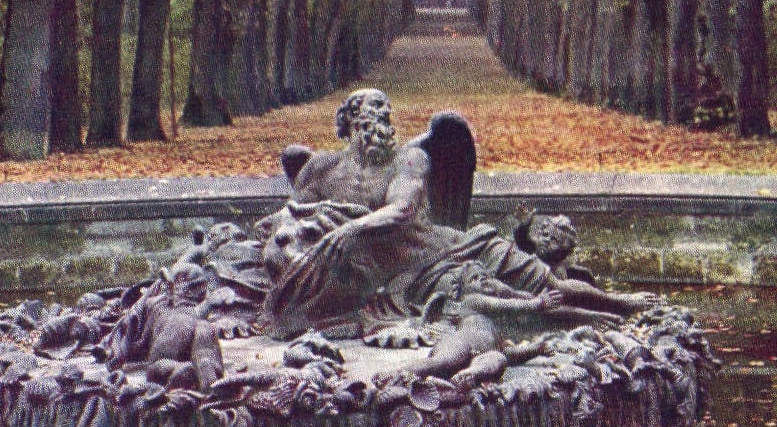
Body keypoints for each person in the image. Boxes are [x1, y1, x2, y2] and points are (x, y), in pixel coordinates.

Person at [262, 88, 653, 338]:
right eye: (375, 107)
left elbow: (402, 209)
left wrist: (352, 229)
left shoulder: (408, 159)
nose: (384, 116)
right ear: (349, 118)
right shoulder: (320, 169)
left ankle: (619, 303)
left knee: (544, 281)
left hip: (453, 248)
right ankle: (588, 322)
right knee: (513, 305)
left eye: (388, 110)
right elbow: (297, 217)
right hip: (413, 278)